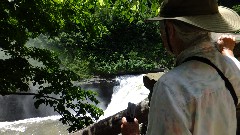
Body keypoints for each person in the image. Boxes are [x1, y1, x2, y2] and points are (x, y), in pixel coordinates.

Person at [121, 0, 240, 135]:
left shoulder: (170, 87)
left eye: (162, 30)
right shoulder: (231, 68)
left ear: (170, 30)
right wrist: (227, 50)